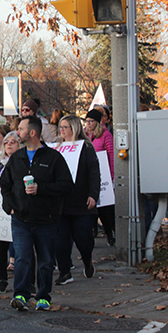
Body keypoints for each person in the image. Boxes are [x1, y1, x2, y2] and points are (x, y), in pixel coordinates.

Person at [0, 115, 73, 311]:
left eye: (21, 129)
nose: (17, 132)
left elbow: (66, 185)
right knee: (22, 258)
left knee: (45, 260)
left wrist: (42, 189)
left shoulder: (53, 158)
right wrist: (10, 206)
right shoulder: (17, 158)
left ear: (33, 133)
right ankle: (21, 295)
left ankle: (43, 296)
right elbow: (4, 184)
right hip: (21, 219)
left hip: (46, 219)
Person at [54, 114, 100, 285]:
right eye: (61, 127)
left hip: (81, 201)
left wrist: (93, 195)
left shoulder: (86, 148)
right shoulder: (57, 147)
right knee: (61, 240)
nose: (62, 130)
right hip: (61, 203)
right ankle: (65, 271)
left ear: (74, 128)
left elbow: (94, 173)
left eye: (65, 127)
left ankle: (87, 260)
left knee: (83, 238)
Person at [0, 130, 20, 294]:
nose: (8, 144)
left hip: (19, 211)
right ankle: (2, 279)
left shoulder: (24, 162)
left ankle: (27, 281)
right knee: (0, 250)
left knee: (23, 248)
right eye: (6, 142)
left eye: (13, 142)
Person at [85, 108, 116, 246]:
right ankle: (92, 232)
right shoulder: (87, 136)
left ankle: (110, 232)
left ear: (97, 122)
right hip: (91, 176)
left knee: (104, 209)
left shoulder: (105, 135)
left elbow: (111, 156)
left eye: (91, 121)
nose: (88, 124)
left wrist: (112, 176)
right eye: (87, 121)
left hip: (104, 176)